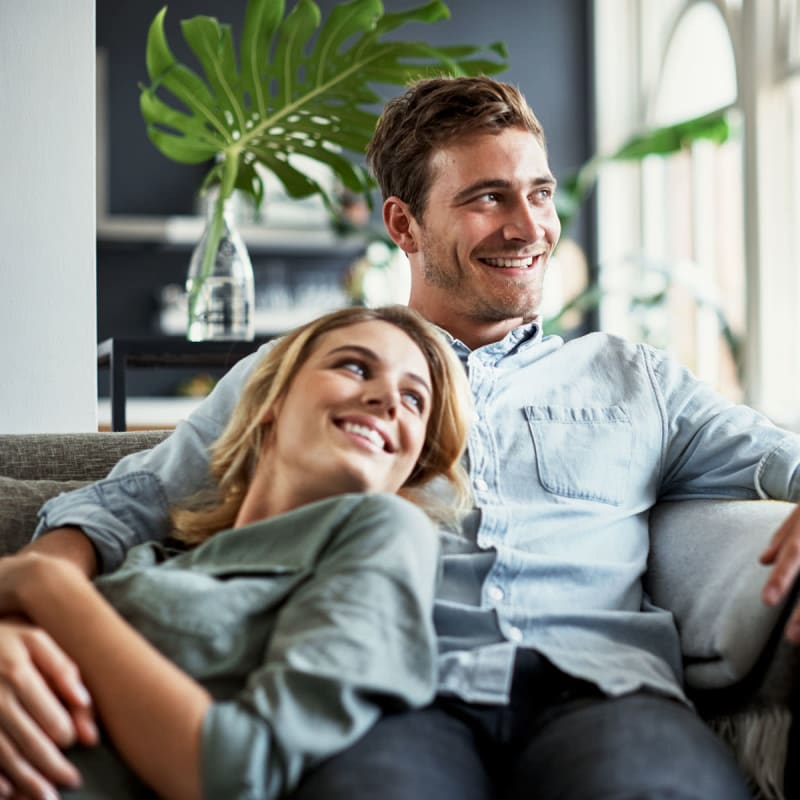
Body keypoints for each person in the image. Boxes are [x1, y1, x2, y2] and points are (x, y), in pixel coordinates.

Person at [2, 76, 800, 799]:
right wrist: (26, 607)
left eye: (541, 193)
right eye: (488, 198)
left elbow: (785, 457)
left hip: (605, 694)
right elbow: (123, 501)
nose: (530, 227)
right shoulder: (313, 373)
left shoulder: (639, 380)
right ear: (404, 223)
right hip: (392, 698)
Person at [0, 305, 472, 800]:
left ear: (413, 460)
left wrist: (43, 588)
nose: (387, 399)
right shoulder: (156, 554)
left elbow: (238, 770)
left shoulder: (390, 534)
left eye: (415, 399)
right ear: (272, 400)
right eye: (354, 367)